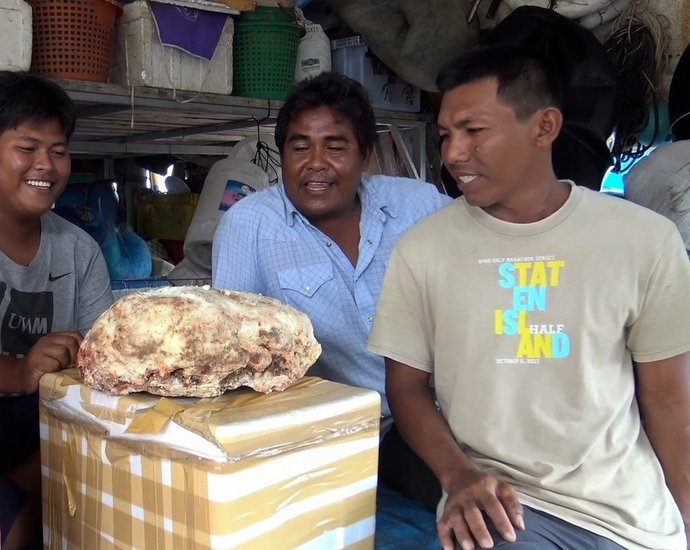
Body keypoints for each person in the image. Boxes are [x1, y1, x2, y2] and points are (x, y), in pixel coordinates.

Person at [368, 44, 690, 550]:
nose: (452, 153)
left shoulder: (643, 241)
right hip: (505, 507)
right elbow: (405, 387)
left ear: (544, 128)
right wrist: (457, 477)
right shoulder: (423, 249)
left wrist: (687, 516)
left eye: (474, 131)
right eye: (447, 134)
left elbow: (668, 398)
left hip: (632, 517)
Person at [211, 71, 451, 507]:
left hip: (451, 410)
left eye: (335, 146)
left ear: (365, 155)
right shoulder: (250, 225)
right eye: (299, 146)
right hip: (344, 432)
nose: (315, 163)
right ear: (282, 156)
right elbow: (235, 354)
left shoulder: (419, 206)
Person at [0, 71, 114, 548]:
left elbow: (104, 368)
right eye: (27, 148)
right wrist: (19, 370)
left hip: (48, 431)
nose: (45, 165)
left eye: (58, 151)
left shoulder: (79, 252)